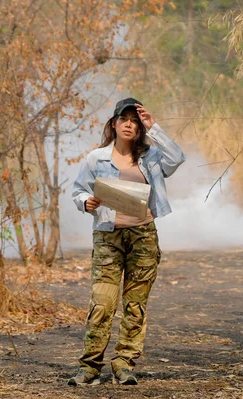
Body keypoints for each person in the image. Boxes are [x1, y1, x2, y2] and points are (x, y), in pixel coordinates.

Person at [69, 98, 185, 386]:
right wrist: (88, 202)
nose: (130, 124)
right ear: (114, 124)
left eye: (135, 120)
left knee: (136, 305)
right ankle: (90, 367)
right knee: (103, 303)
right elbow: (77, 192)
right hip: (109, 237)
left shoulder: (152, 156)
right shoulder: (96, 158)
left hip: (143, 235)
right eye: (125, 119)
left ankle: (123, 364)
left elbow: (177, 157)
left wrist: (153, 125)